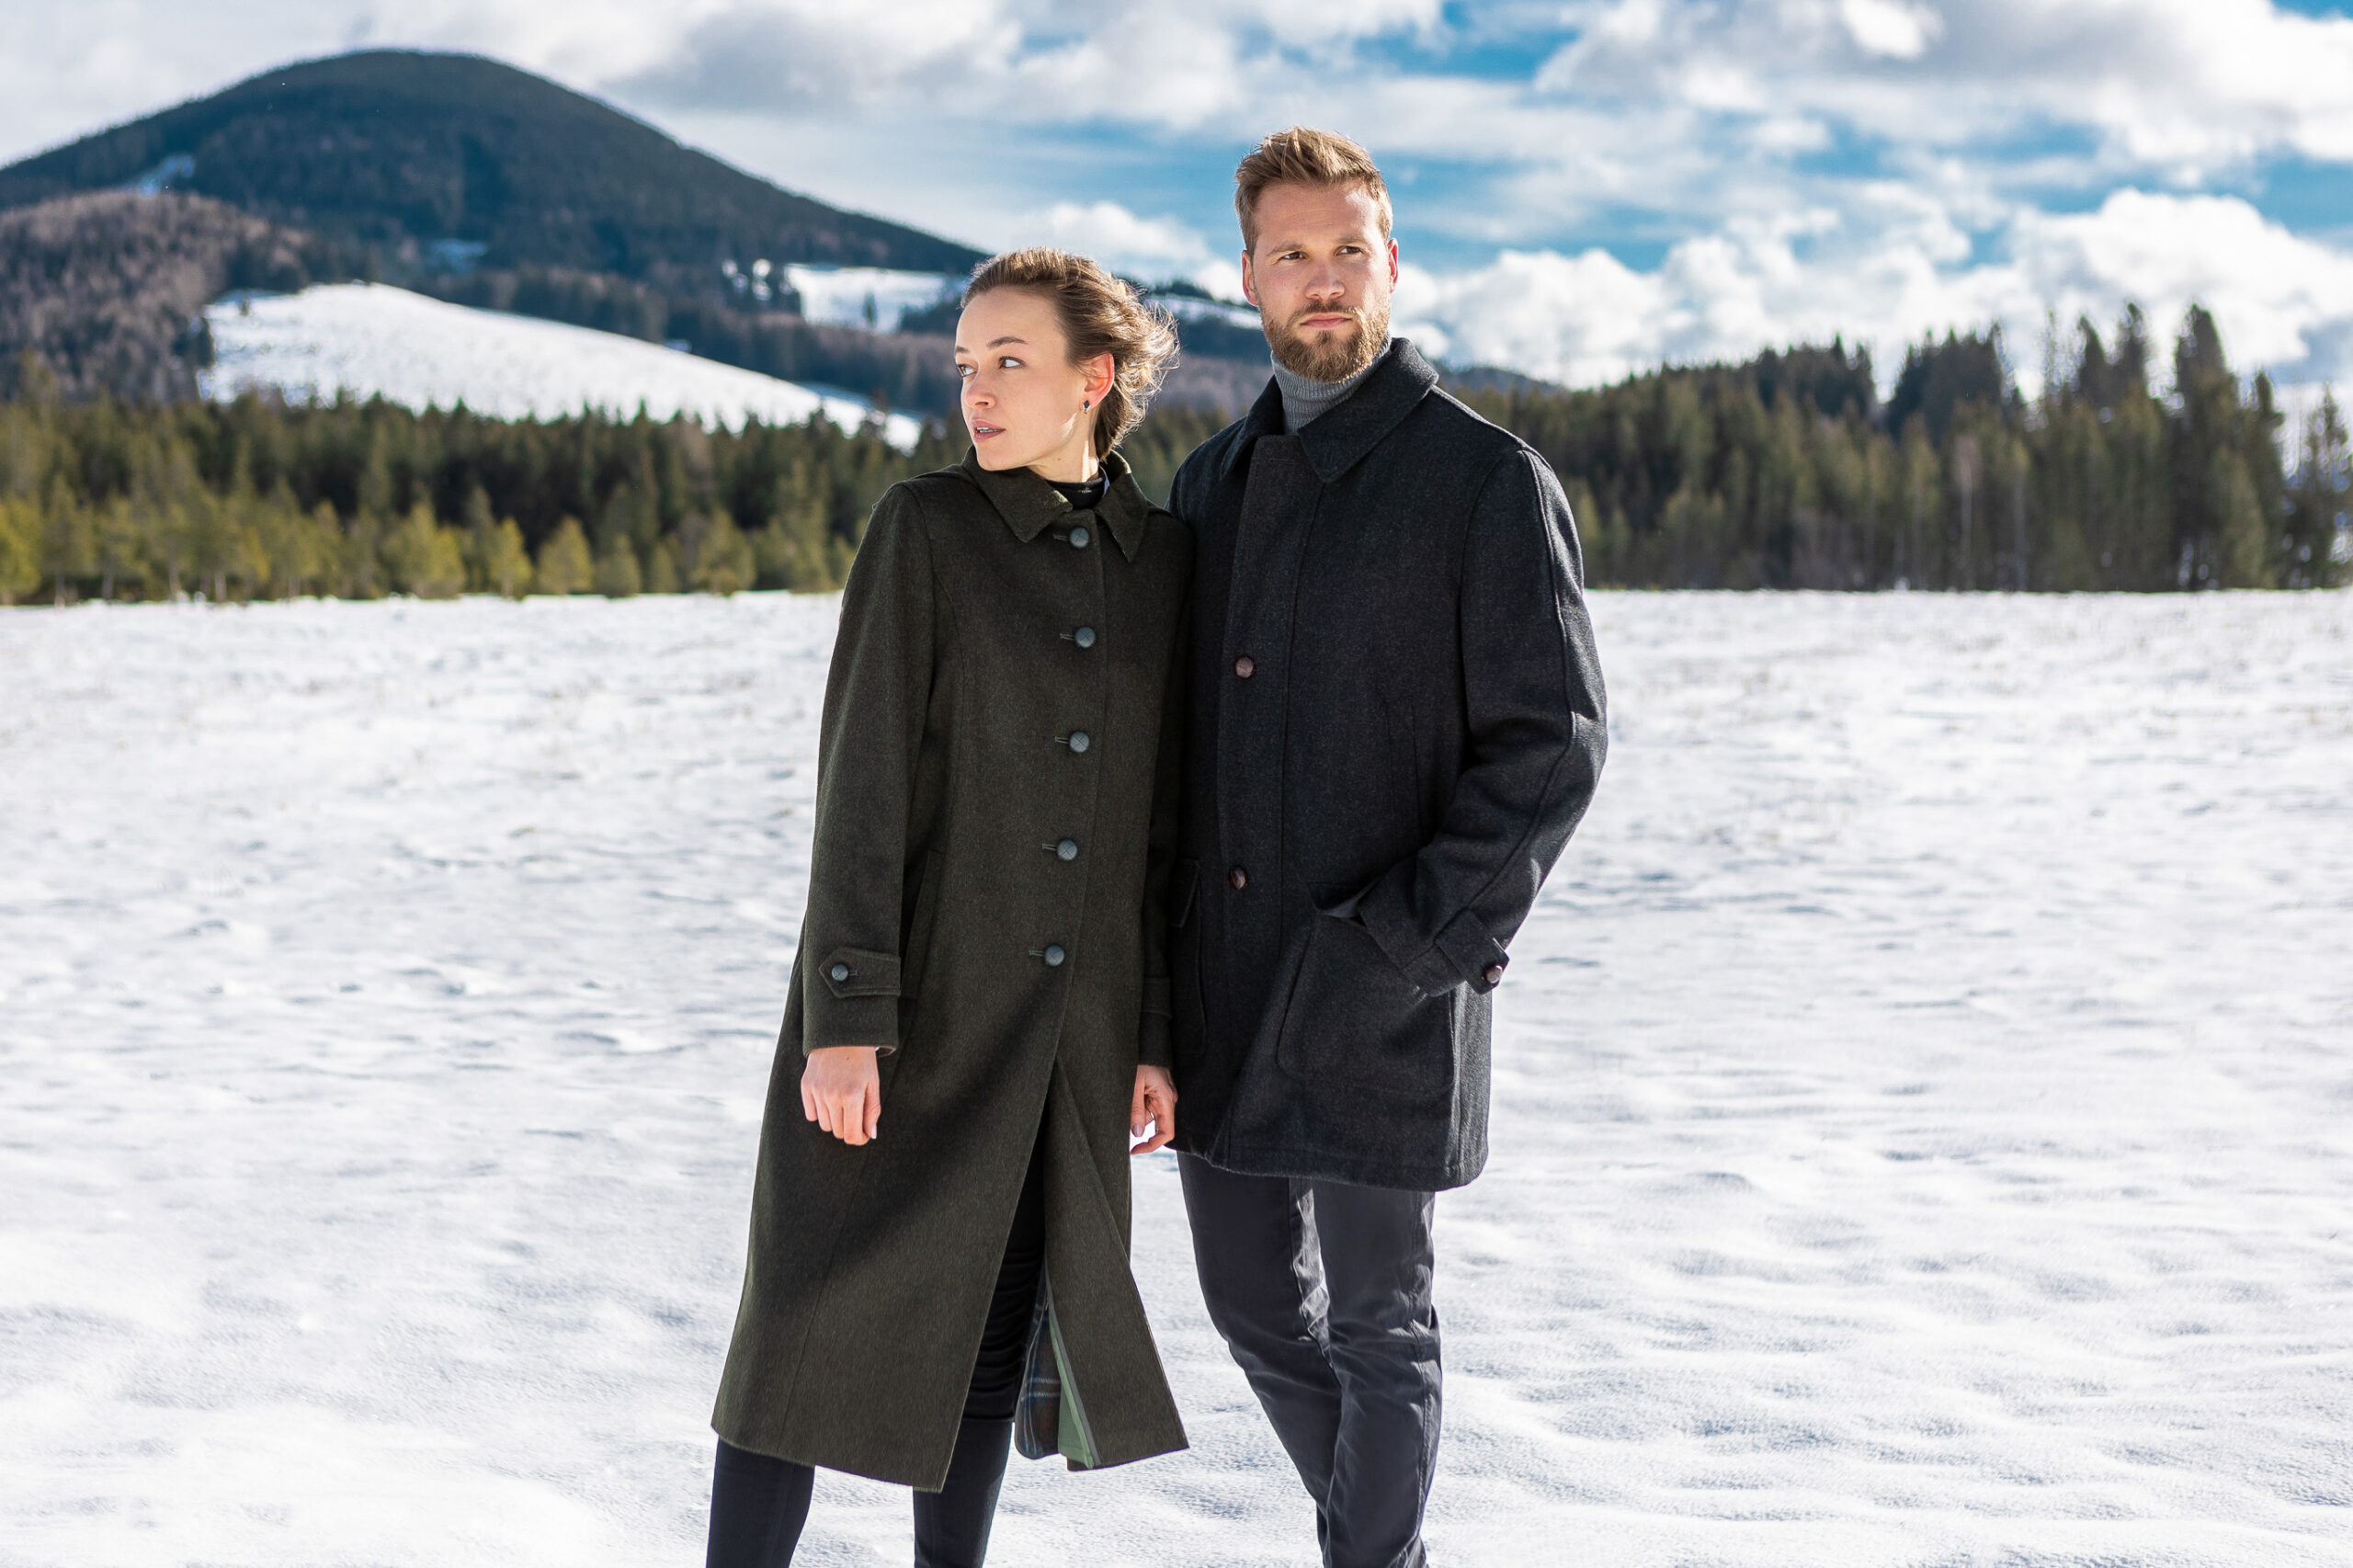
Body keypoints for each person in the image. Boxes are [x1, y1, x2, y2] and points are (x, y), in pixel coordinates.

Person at [706, 248, 1193, 1568]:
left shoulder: (1164, 563)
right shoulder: (922, 530)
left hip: (1062, 1043)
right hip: (902, 1019)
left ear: (1095, 379)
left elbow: (1159, 831)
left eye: (1009, 361)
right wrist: (844, 1017)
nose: (975, 390)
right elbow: (856, 789)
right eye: (965, 363)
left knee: (989, 1334)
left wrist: (1152, 1033)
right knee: (797, 1345)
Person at [1165, 128, 1608, 1568]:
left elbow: (1554, 743)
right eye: (1292, 253)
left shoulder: (1483, 479)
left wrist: (1408, 942)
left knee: (1379, 1319)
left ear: (1394, 263)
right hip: (1227, 986)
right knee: (1245, 1302)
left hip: (1389, 982)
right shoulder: (1210, 484)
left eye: (1351, 249)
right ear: (1247, 277)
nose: (1325, 280)